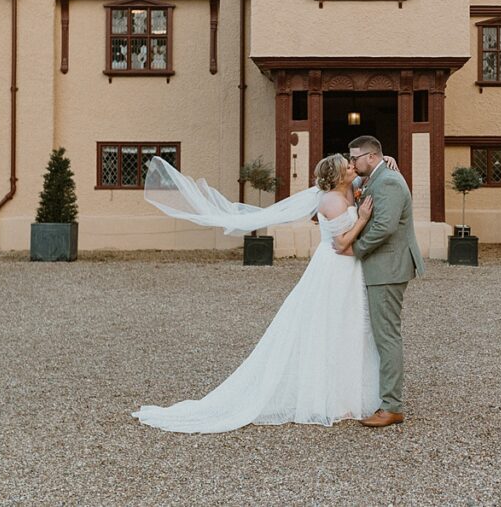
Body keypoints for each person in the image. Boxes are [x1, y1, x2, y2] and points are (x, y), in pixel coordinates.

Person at [132, 154, 381, 433]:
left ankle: (345, 395)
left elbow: (367, 174)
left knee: (348, 327)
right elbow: (341, 242)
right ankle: (330, 400)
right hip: (335, 268)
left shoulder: (345, 188)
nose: (352, 167)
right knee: (330, 329)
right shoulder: (332, 201)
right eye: (347, 165)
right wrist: (361, 219)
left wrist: (387, 161)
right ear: (337, 175)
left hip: (348, 270)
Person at [340, 135, 424, 428]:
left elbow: (384, 227)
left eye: (355, 158)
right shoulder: (377, 177)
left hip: (388, 268)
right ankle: (383, 398)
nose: (352, 163)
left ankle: (392, 406)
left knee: (386, 336)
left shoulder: (387, 181)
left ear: (372, 157)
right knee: (381, 334)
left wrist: (356, 249)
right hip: (383, 267)